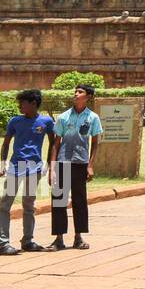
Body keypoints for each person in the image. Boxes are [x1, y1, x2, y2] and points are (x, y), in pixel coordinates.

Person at [0, 89, 52, 255]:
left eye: (22, 103)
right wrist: (3, 163)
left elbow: (54, 142)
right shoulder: (15, 121)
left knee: (29, 204)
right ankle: (2, 243)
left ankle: (27, 240)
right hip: (16, 167)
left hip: (35, 168)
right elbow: (6, 143)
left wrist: (48, 165)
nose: (19, 106)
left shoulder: (46, 121)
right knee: (6, 203)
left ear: (33, 103)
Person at [48, 84, 102, 250]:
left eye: (80, 92)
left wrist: (90, 165)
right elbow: (56, 144)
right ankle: (58, 239)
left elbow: (95, 143)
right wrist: (52, 168)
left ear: (88, 97)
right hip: (63, 162)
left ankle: (78, 237)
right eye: (75, 92)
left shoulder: (92, 118)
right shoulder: (63, 117)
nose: (76, 94)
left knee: (80, 201)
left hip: (80, 163)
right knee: (59, 200)